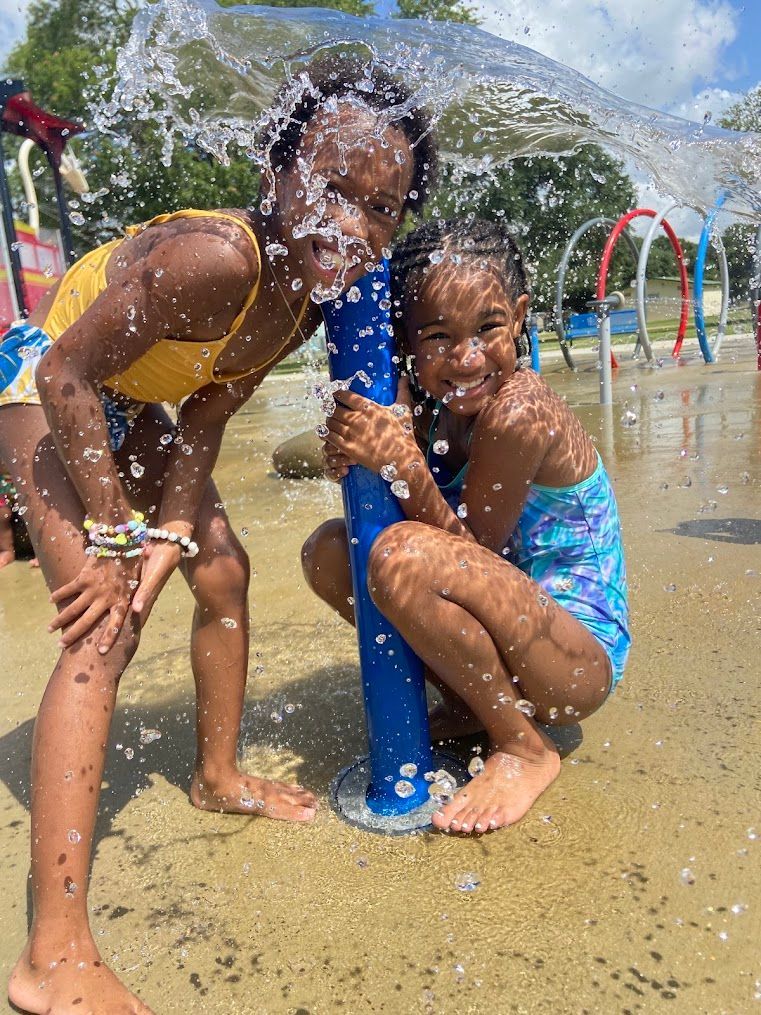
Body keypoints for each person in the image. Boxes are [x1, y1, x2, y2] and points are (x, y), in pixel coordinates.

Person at [0, 56, 436, 1014]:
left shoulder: (300, 300)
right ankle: (53, 952)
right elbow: (69, 373)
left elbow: (201, 420)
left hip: (137, 403)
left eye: (384, 208)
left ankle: (216, 774)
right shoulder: (223, 260)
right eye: (333, 189)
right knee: (103, 629)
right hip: (48, 384)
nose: (354, 227)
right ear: (276, 172)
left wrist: (172, 539)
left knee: (222, 573)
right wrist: (119, 543)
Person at [302, 217, 630, 837]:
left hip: (576, 660)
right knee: (329, 552)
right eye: (438, 337)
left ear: (521, 315)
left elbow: (471, 551)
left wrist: (402, 465)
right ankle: (470, 701)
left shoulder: (520, 412)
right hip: (516, 635)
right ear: (408, 339)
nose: (467, 357)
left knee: (401, 557)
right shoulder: (431, 406)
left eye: (488, 328)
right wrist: (354, 450)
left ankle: (525, 746)